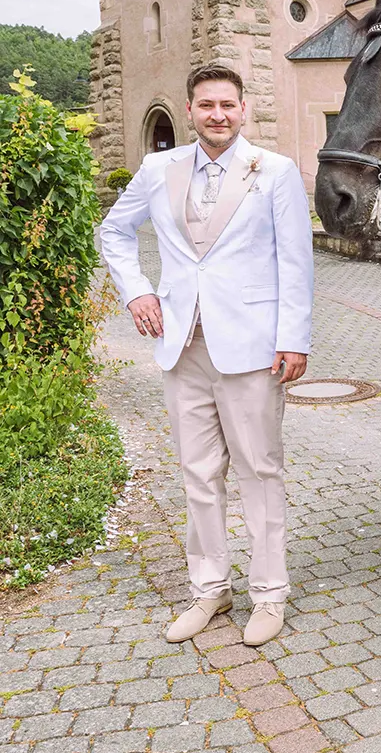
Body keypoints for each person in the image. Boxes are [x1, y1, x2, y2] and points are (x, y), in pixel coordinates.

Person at [101, 65, 314, 647]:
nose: (217, 114)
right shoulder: (156, 169)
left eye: (227, 104)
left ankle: (269, 594)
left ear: (244, 110)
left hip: (251, 348)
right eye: (205, 105)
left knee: (259, 471)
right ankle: (209, 589)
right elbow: (113, 232)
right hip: (182, 344)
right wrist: (137, 290)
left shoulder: (274, 172)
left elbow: (296, 261)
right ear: (190, 112)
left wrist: (293, 338)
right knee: (198, 474)